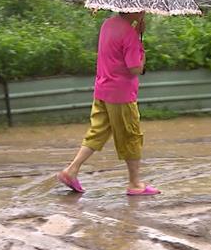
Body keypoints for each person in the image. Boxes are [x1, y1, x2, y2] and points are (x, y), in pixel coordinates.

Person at [56, 11, 160, 196]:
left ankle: (71, 171)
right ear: (133, 9)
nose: (144, 11)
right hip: (121, 95)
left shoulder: (108, 24)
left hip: (103, 89)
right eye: (141, 7)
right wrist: (140, 49)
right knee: (131, 136)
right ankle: (135, 183)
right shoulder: (129, 33)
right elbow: (135, 68)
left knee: (98, 131)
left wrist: (136, 34)